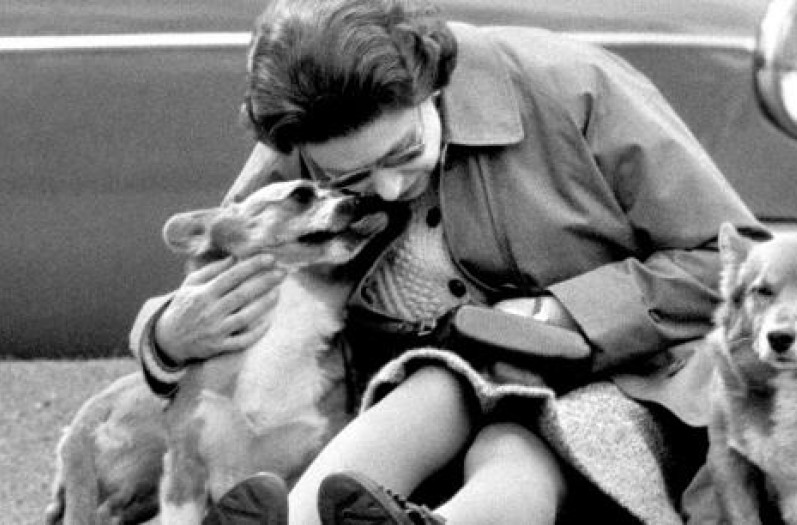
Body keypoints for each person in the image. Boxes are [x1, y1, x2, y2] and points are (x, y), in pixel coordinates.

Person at [129, 0, 762, 523]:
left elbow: (738, 262)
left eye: (403, 153)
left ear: (431, 80)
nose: (387, 190)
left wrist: (565, 312)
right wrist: (165, 337)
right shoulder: (306, 137)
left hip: (621, 378)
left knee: (525, 440)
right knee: (438, 382)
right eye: (351, 177)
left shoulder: (576, 89)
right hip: (426, 387)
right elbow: (218, 272)